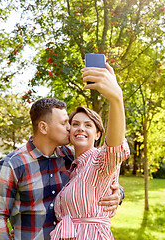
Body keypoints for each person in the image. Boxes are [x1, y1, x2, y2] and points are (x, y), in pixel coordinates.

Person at [0, 97, 124, 240]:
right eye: (65, 123)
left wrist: (118, 193)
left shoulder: (70, 156)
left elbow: (97, 178)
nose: (70, 128)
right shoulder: (12, 165)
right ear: (43, 127)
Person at [50, 63, 130, 239]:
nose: (80, 128)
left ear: (98, 134)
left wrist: (116, 98)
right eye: (75, 124)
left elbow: (114, 147)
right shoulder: (72, 165)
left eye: (88, 125)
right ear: (69, 131)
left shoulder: (100, 160)